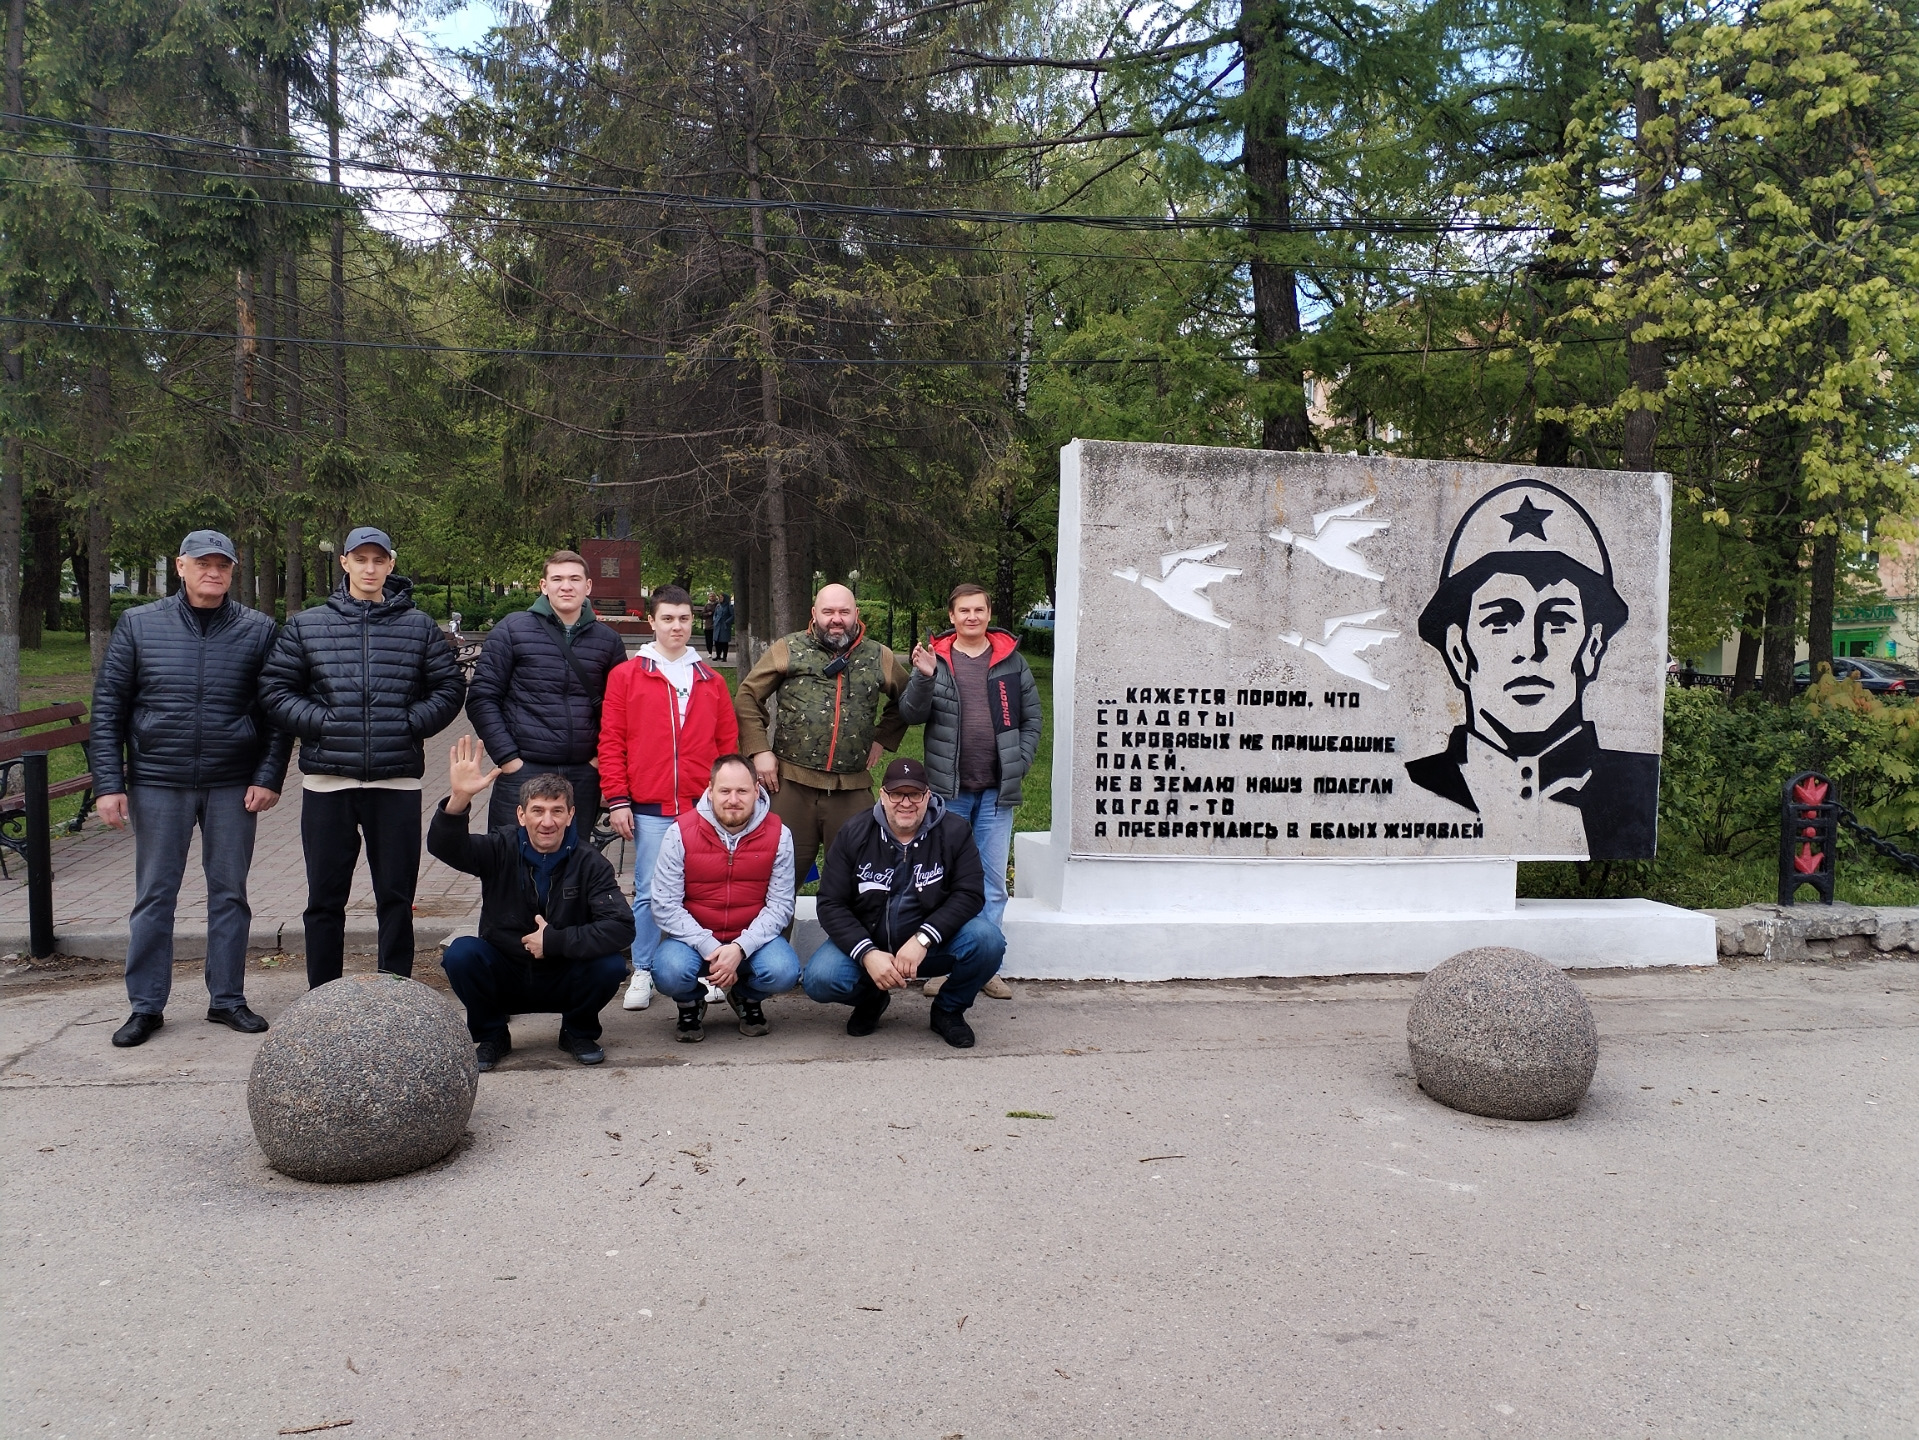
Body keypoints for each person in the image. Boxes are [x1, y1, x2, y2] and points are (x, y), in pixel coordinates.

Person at [89, 530, 293, 1048]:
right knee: (155, 895)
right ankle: (146, 1006)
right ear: (180, 567)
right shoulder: (140, 624)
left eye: (222, 564)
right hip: (159, 780)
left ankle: (227, 999)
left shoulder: (258, 630)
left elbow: (275, 713)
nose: (213, 572)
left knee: (230, 894)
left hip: (231, 783)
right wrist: (110, 783)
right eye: (202, 563)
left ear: (233, 569)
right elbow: (109, 709)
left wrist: (268, 776)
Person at [1403, 478, 1659, 858]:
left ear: (1591, 647)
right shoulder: (1414, 783)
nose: (1530, 650)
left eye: (1557, 622)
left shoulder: (1633, 786)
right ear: (1459, 653)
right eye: (1500, 621)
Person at [260, 526, 466, 988]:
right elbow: (275, 690)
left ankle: (396, 992)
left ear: (391, 565)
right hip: (327, 783)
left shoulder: (418, 627)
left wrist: (409, 724)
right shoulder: (307, 625)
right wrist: (325, 723)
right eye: (361, 559)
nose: (370, 568)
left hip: (395, 783)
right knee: (325, 899)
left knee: (396, 896)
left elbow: (450, 688)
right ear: (345, 563)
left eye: (379, 560)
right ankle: (323, 995)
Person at [429, 737, 634, 1069]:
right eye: (537, 810)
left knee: (609, 964)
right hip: (506, 972)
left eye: (556, 811)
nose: (547, 821)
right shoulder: (500, 848)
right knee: (462, 953)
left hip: (565, 972)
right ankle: (492, 1034)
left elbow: (622, 928)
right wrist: (460, 799)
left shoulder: (591, 862)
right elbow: (445, 847)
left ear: (571, 815)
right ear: (521, 814)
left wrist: (554, 941)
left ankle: (577, 1031)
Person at [599, 584, 738, 1010]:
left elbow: (727, 745)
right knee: (649, 891)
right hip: (651, 807)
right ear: (652, 621)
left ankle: (707, 968)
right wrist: (618, 799)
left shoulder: (711, 681)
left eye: (684, 619)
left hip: (702, 808)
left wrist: (725, 800)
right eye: (668, 619)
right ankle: (643, 969)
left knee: (705, 890)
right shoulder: (626, 675)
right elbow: (612, 741)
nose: (676, 627)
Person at [900, 582, 1041, 1001]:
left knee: (993, 884)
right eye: (964, 611)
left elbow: (1032, 720)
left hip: (997, 793)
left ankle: (985, 967)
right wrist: (924, 678)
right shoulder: (935, 659)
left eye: (979, 610)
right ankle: (947, 963)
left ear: (988, 612)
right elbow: (911, 713)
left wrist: (1020, 760)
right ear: (952, 616)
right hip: (950, 792)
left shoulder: (1012, 662)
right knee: (945, 881)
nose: (972, 617)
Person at [803, 757, 1005, 1049]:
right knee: (820, 979)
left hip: (931, 948)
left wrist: (923, 939)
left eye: (914, 794)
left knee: (988, 941)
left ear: (928, 796)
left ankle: (948, 1010)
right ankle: (872, 998)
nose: (906, 803)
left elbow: (970, 893)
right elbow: (830, 903)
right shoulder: (854, 832)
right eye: (897, 794)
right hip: (871, 943)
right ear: (883, 796)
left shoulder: (955, 831)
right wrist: (868, 953)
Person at [734, 582, 910, 895]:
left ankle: (854, 944)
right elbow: (748, 695)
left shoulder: (878, 655)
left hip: (851, 787)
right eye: (828, 611)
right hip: (790, 784)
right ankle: (770, 945)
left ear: (856, 614)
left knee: (861, 881)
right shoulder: (789, 648)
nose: (836, 618)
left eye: (844, 611)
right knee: (775, 878)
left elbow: (907, 698)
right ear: (815, 614)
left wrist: (883, 737)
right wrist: (759, 750)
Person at [465, 549, 625, 840]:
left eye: (575, 579)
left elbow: (620, 708)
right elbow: (482, 698)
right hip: (524, 770)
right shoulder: (512, 630)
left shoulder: (608, 641)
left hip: (582, 773)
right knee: (510, 861)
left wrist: (598, 761)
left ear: (588, 586)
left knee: (571, 867)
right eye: (558, 579)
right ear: (543, 585)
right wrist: (508, 758)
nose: (566, 586)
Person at [649, 754, 800, 1042]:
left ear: (757, 791)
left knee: (784, 971)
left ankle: (746, 998)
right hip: (692, 941)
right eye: (725, 791)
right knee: (669, 972)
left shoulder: (780, 834)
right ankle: (690, 1003)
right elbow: (665, 906)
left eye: (742, 791)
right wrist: (710, 946)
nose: (733, 799)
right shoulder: (679, 832)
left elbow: (781, 906)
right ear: (709, 790)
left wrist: (739, 949)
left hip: (751, 940)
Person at [710, 593, 735, 662]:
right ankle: (718, 655)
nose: (720, 599)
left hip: (724, 626)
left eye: (721, 597)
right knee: (717, 642)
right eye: (720, 597)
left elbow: (732, 615)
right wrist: (715, 620)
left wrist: (727, 622)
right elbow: (715, 614)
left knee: (724, 642)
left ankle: (724, 657)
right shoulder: (718, 606)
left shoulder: (729, 606)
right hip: (717, 625)